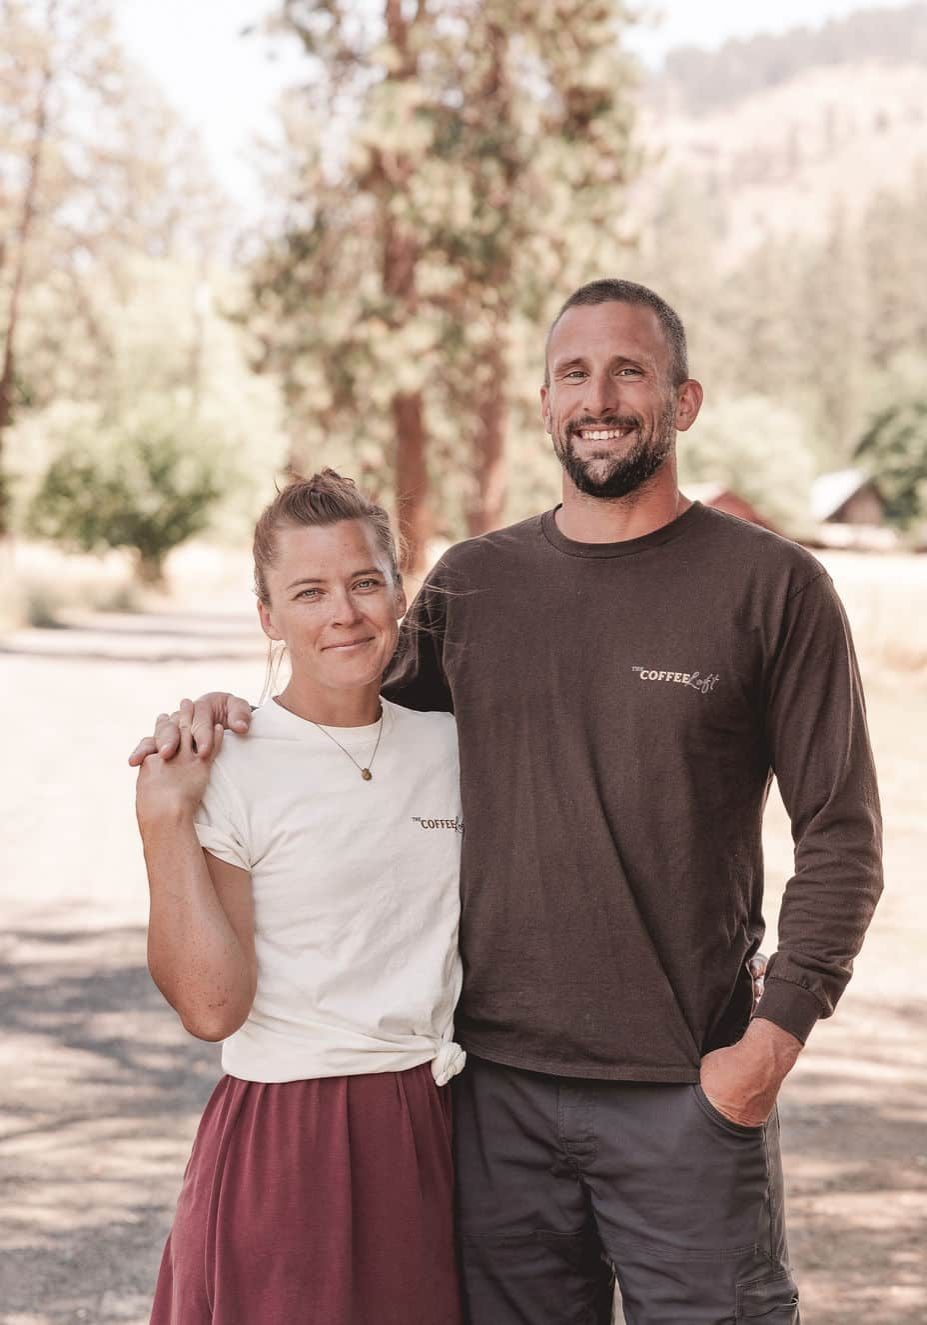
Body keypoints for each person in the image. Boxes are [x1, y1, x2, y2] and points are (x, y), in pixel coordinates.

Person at [132, 279, 883, 1324]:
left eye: (630, 369)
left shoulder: (771, 586)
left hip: (686, 1091)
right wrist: (223, 716)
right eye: (575, 372)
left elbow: (842, 835)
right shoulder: (474, 585)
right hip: (489, 1104)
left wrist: (770, 1043)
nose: (601, 396)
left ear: (686, 397)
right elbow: (350, 720)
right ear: (544, 402)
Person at [134, 472, 465, 1325]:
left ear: (400, 588)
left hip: (435, 1125)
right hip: (287, 1135)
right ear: (267, 616)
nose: (342, 614)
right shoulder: (228, 763)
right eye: (307, 592)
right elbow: (211, 1007)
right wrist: (164, 821)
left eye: (364, 581)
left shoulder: (454, 744)